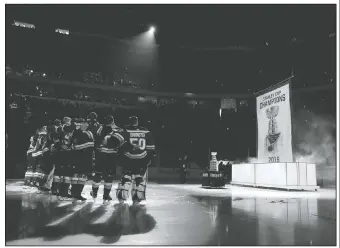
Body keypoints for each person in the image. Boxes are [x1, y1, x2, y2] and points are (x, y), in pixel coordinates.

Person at [116, 116, 155, 205]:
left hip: (128, 159)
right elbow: (151, 148)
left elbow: (118, 145)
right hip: (142, 159)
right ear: (137, 122)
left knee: (126, 178)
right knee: (139, 178)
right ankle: (137, 198)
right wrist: (149, 159)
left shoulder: (124, 131)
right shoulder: (146, 131)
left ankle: (121, 197)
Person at [91, 115, 124, 202]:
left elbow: (96, 140)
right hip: (112, 156)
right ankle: (106, 196)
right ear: (113, 121)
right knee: (109, 176)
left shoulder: (100, 128)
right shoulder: (118, 129)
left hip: (101, 155)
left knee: (98, 174)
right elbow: (122, 142)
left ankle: (94, 193)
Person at [71, 118, 95, 201]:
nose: (85, 125)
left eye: (86, 123)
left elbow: (92, 145)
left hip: (87, 158)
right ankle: (73, 192)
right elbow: (75, 146)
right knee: (76, 175)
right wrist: (88, 144)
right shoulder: (76, 132)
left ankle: (78, 193)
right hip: (77, 157)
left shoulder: (89, 133)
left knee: (83, 176)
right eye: (83, 123)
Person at [56, 117, 76, 199]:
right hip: (65, 154)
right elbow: (56, 142)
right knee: (65, 173)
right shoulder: (61, 131)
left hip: (66, 154)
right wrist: (61, 146)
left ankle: (63, 192)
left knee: (65, 174)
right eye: (68, 123)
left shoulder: (66, 131)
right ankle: (63, 193)